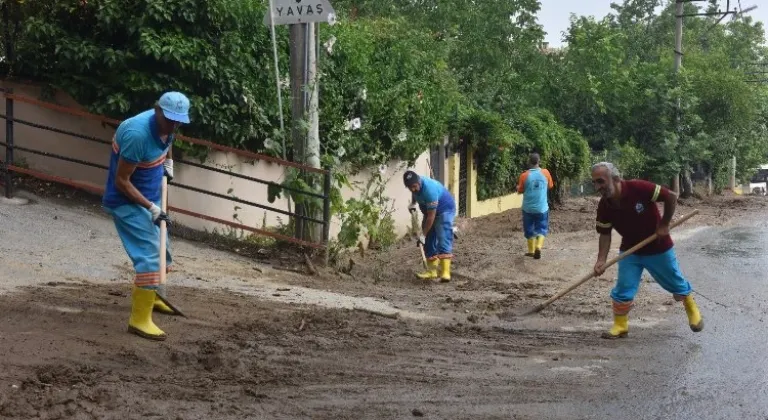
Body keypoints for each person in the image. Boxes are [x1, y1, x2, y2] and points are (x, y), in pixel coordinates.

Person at [102, 92, 191, 341]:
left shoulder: (170, 126)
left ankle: (152, 296)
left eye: (178, 121)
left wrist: (168, 164)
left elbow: (167, 139)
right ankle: (139, 320)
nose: (173, 126)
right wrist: (151, 209)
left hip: (149, 197)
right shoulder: (137, 134)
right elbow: (121, 182)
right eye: (169, 119)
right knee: (151, 256)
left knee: (165, 250)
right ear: (157, 110)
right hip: (126, 201)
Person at [591, 162, 703, 339]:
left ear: (616, 179)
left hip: (658, 247)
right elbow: (604, 234)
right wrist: (601, 260)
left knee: (675, 282)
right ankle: (620, 326)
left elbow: (671, 197)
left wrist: (664, 224)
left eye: (601, 182)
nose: (597, 187)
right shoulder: (605, 205)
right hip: (631, 251)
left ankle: (691, 307)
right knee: (623, 287)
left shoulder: (639, 188)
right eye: (595, 183)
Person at [404, 170, 456, 282]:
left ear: (419, 182)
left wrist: (423, 234)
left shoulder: (429, 190)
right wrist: (413, 203)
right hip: (429, 212)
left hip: (444, 210)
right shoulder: (415, 185)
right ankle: (432, 271)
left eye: (414, 186)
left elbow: (431, 217)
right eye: (410, 188)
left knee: (443, 236)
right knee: (429, 240)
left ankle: (445, 272)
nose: (413, 189)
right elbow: (415, 193)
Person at [517, 153, 554, 259]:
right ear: (539, 161)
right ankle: (538, 246)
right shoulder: (546, 173)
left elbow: (520, 190)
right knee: (542, 228)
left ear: (529, 162)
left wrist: (518, 188)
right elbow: (550, 186)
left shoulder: (524, 175)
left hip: (528, 208)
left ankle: (531, 251)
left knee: (529, 229)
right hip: (542, 208)